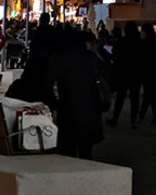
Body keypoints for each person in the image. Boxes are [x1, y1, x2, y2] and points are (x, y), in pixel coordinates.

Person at [50, 30, 105, 159]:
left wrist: (55, 104)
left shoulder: (59, 58)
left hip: (66, 109)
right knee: (86, 150)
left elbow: (49, 83)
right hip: (89, 109)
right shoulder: (90, 58)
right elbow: (105, 76)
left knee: (68, 151)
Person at [107, 21, 142, 129]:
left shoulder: (122, 41)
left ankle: (115, 119)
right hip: (136, 72)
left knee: (120, 97)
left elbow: (114, 55)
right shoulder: (139, 42)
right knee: (135, 98)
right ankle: (134, 121)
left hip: (123, 72)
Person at [137, 24, 156, 125]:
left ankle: (142, 116)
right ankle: (155, 116)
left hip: (148, 73)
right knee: (151, 96)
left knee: (149, 95)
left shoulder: (145, 44)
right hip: (155, 73)